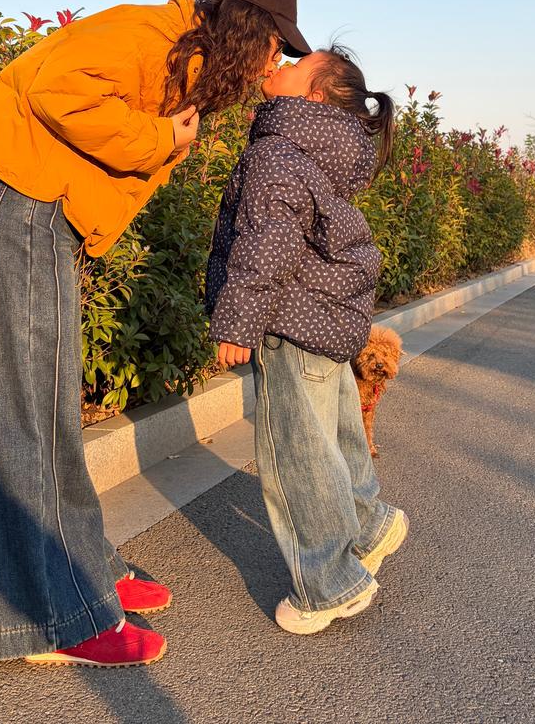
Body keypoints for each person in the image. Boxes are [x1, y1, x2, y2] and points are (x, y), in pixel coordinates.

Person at [0, 0, 311, 666]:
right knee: (23, 419)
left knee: (46, 414)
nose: (275, 61)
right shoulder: (149, 36)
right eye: (276, 44)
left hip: (38, 215)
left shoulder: (182, 53)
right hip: (22, 209)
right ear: (249, 26)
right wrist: (160, 140)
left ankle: (83, 569)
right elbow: (56, 90)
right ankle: (53, 619)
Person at [205, 46, 409, 634]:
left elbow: (269, 240)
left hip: (291, 320)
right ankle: (369, 525)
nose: (280, 64)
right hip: (326, 316)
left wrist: (238, 320)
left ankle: (329, 584)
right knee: (336, 434)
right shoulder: (326, 150)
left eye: (296, 65)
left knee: (296, 453)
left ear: (314, 95)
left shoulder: (278, 149)